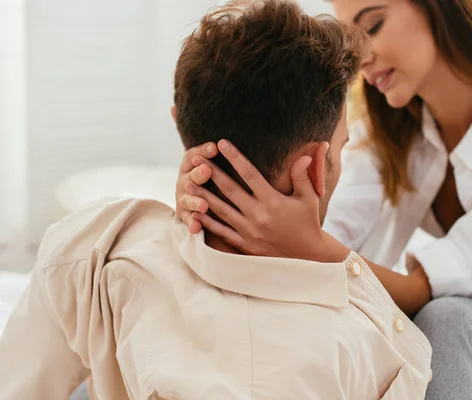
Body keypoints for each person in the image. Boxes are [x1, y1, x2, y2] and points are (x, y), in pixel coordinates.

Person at [0, 1, 433, 399]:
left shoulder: (96, 242)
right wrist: (336, 261)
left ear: (180, 123)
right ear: (316, 166)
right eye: (342, 145)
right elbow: (415, 365)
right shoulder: (355, 347)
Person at [176, 0, 472, 399]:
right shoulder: (394, 130)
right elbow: (323, 229)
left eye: (374, 25)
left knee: (446, 320)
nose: (362, 58)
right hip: (453, 329)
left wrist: (304, 242)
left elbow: (416, 289)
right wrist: (210, 196)